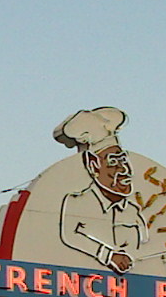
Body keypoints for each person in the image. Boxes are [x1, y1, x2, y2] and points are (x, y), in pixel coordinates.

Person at [54, 107, 149, 273]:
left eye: (123, 161)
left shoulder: (133, 211)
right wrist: (108, 256)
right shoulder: (76, 202)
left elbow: (144, 248)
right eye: (113, 162)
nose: (124, 169)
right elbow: (70, 236)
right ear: (93, 165)